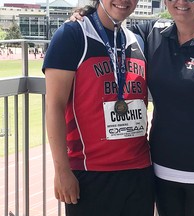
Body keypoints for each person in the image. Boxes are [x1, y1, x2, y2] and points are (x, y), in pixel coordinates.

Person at [71, 0, 194, 215]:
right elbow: (110, 22)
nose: (181, 2)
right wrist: (84, 17)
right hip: (162, 171)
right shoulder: (152, 33)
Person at [42, 0, 155, 215]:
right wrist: (61, 170)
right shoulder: (72, 35)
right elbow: (54, 106)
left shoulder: (138, 39)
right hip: (90, 173)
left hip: (139, 172)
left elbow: (187, 19)